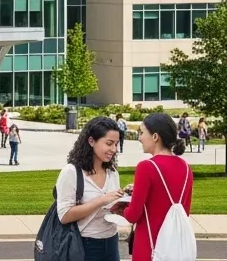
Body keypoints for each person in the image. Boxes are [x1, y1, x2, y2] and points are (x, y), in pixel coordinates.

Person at [122, 112, 193, 261]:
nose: (139, 138)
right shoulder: (185, 167)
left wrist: (122, 209)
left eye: (142, 133)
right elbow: (184, 211)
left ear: (155, 137)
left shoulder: (146, 167)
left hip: (149, 246)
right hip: (174, 247)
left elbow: (133, 215)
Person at [56, 115, 124, 261]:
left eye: (116, 144)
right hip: (84, 245)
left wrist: (123, 200)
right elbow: (64, 216)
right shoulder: (71, 172)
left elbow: (110, 208)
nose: (114, 149)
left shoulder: (112, 173)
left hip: (111, 241)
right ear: (91, 141)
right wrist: (102, 200)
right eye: (109, 143)